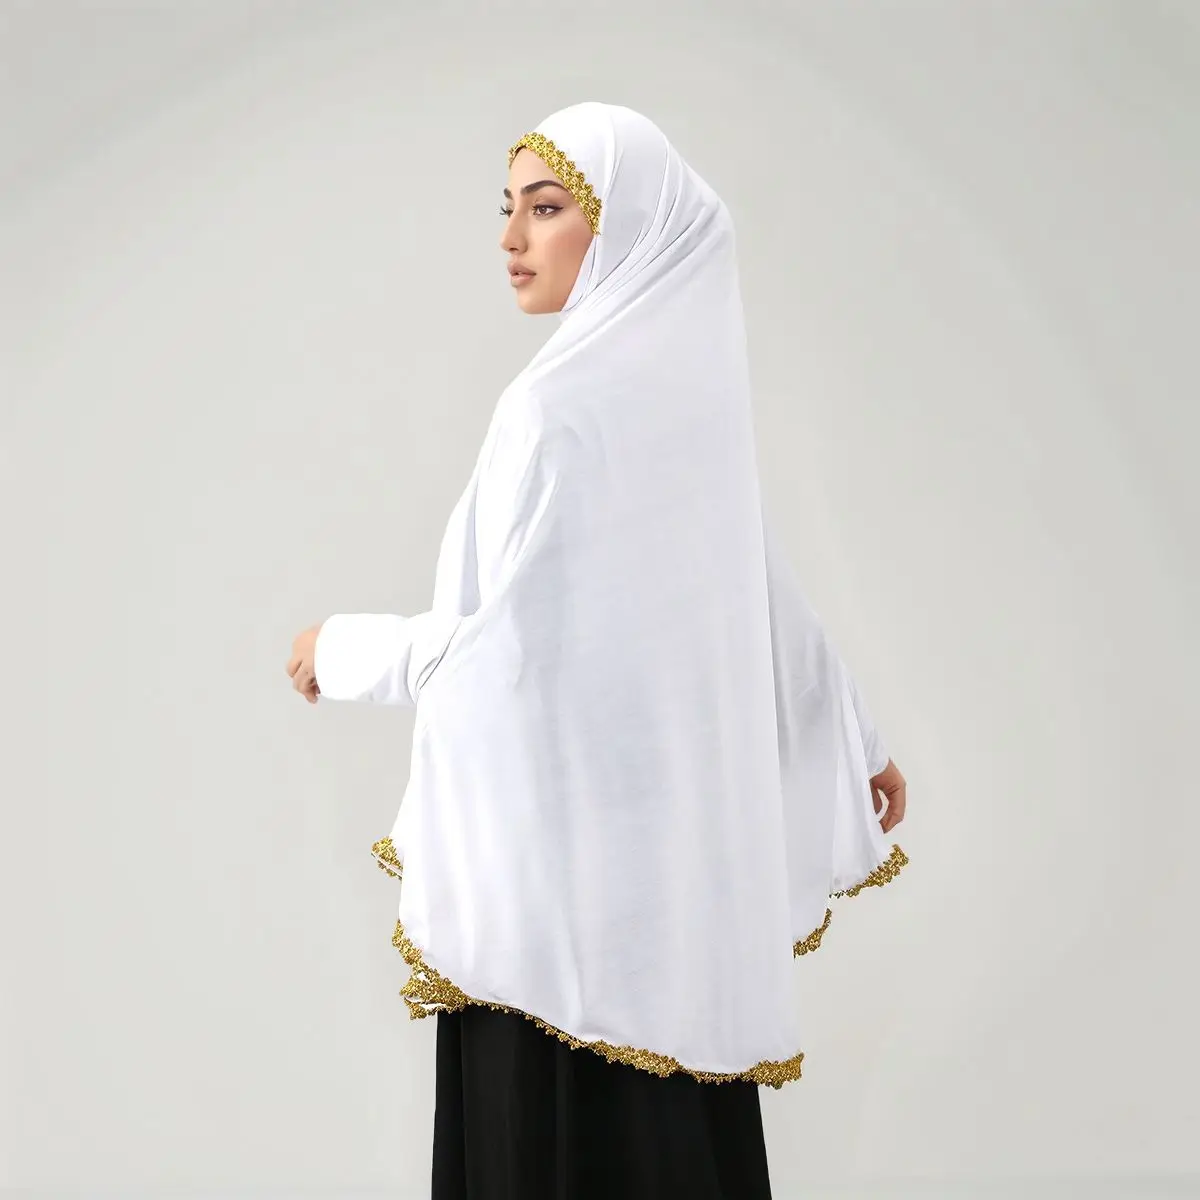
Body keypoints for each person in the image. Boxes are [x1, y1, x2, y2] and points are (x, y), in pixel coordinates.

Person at [286, 102, 908, 1200]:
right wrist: (851, 737)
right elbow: (759, 599)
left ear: (626, 225)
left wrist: (342, 651)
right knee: (666, 1135)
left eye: (546, 207)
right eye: (508, 209)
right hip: (666, 878)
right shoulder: (673, 406)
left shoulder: (554, 410)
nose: (510, 238)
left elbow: (506, 654)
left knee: (551, 1144)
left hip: (553, 881)